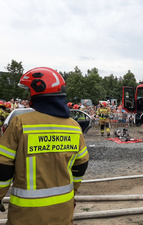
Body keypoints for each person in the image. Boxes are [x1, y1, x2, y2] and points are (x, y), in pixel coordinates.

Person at [0, 67, 89, 225]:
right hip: (63, 212)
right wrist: (72, 193)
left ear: (38, 90)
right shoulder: (74, 127)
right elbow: (81, 166)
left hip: (26, 215)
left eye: (29, 91)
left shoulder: (20, 123)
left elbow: (3, 168)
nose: (28, 96)